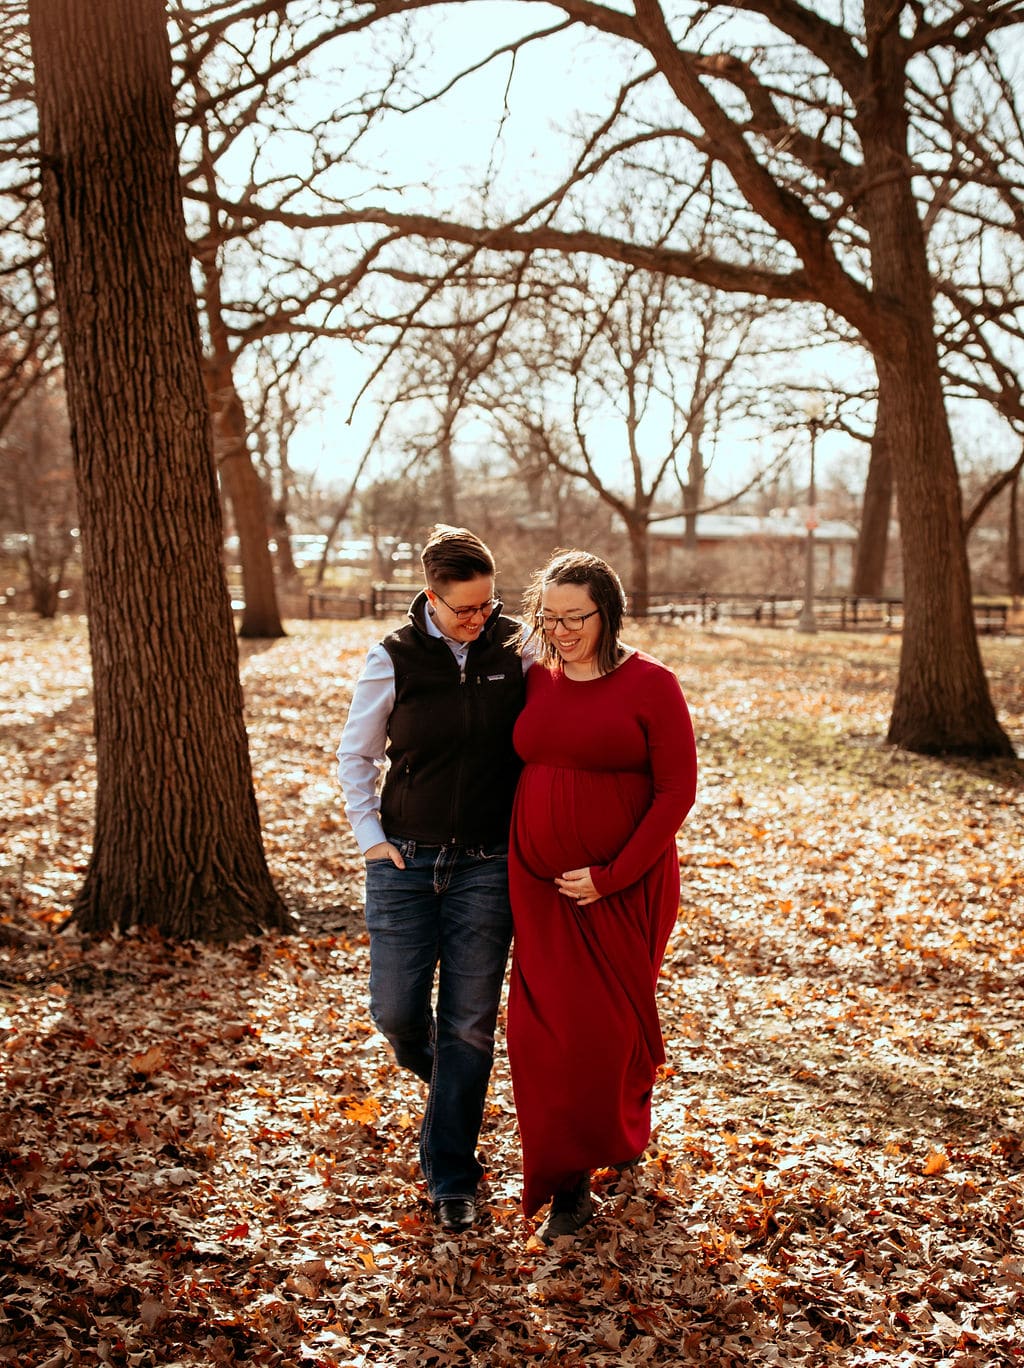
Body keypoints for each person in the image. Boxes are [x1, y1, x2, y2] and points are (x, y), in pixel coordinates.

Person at [336, 525, 529, 1233]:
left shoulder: (518, 647)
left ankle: (453, 1177)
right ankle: (451, 1092)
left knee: (470, 1025)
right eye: (464, 610)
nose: (480, 620)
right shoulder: (393, 657)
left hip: (488, 863)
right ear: (430, 598)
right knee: (394, 1012)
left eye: (487, 605)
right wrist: (372, 841)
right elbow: (355, 756)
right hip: (406, 862)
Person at [507, 549, 697, 1243]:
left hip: (623, 889)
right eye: (547, 617)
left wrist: (611, 875)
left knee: (602, 1032)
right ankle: (569, 1170)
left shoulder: (652, 684)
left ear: (607, 612)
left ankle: (591, 1163)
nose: (559, 630)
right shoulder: (534, 679)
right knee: (537, 1033)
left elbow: (678, 791)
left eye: (573, 617)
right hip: (538, 890)